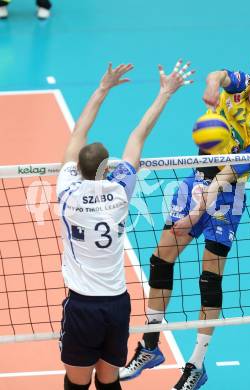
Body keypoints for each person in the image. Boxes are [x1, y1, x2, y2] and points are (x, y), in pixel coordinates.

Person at [119, 51, 250, 390]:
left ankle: (196, 366)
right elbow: (218, 75)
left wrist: (199, 209)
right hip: (195, 179)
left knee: (209, 279)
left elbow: (226, 175)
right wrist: (212, 88)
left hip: (226, 194)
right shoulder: (242, 85)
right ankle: (150, 347)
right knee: (160, 259)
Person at [56, 59, 194, 390]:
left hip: (83, 305)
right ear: (108, 167)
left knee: (76, 383)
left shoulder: (68, 192)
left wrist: (102, 88)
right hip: (117, 303)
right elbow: (138, 135)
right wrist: (165, 93)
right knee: (108, 380)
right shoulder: (120, 191)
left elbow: (78, 132)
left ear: (79, 167)